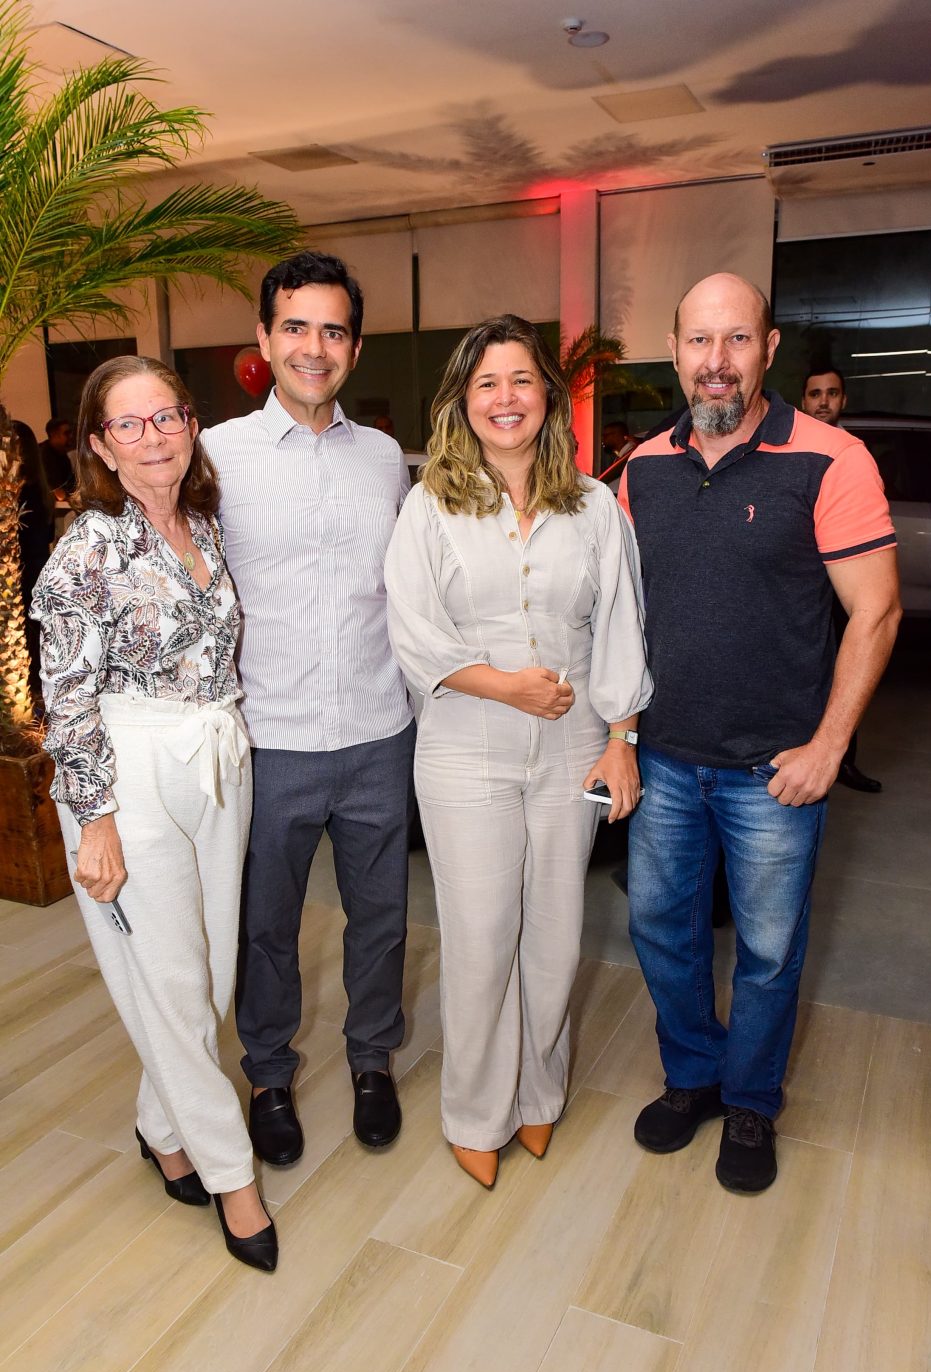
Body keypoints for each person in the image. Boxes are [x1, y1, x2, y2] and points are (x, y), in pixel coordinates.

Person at [621, 274, 900, 1193]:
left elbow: (877, 612)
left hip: (772, 772)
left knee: (770, 949)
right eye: (700, 342)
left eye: (736, 340)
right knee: (664, 932)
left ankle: (750, 1099)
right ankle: (693, 1077)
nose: (716, 363)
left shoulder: (831, 458)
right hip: (663, 759)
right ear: (675, 350)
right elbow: (620, 614)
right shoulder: (641, 469)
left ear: (769, 349)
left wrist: (827, 747)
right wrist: (619, 734)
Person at [385, 314, 652, 1187]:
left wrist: (622, 739)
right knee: (480, 933)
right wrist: (509, 687)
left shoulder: (596, 506)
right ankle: (475, 1109)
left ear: (549, 396)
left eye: (523, 381)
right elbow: (415, 637)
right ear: (464, 399)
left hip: (574, 744)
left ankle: (539, 1094)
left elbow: (621, 627)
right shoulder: (429, 506)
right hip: (466, 749)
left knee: (557, 933)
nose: (507, 398)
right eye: (488, 383)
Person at [32, 356, 277, 1272]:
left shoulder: (203, 524)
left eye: (166, 416)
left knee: (204, 980)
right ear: (97, 443)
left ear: (190, 423)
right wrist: (93, 820)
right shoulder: (85, 548)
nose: (153, 437)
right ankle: (231, 1177)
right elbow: (67, 695)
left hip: (215, 760)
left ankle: (157, 1126)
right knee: (175, 984)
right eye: (127, 425)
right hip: (127, 777)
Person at [201, 251, 415, 1164]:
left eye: (333, 329)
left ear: (355, 347)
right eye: (296, 326)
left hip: (378, 729)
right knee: (267, 925)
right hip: (271, 736)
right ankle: (271, 1074)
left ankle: (372, 1060)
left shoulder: (384, 461)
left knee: (382, 917)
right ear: (264, 339)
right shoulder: (213, 455)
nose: (313, 346)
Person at [801, 365, 882, 793]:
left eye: (832, 393)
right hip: (807, 591)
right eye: (815, 394)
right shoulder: (794, 455)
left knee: (848, 668)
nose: (823, 401)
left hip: (844, 587)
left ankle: (842, 758)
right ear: (804, 400)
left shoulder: (854, 454)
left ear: (843, 400)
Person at [12, 420, 55, 696]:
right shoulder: (42, 490)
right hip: (38, 568)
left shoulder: (16, 493)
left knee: (26, 633)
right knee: (36, 632)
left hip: (22, 571)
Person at [39, 416, 75, 496]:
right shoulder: (44, 456)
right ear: (53, 435)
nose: (71, 436)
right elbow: (59, 493)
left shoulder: (62, 454)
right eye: (66, 433)